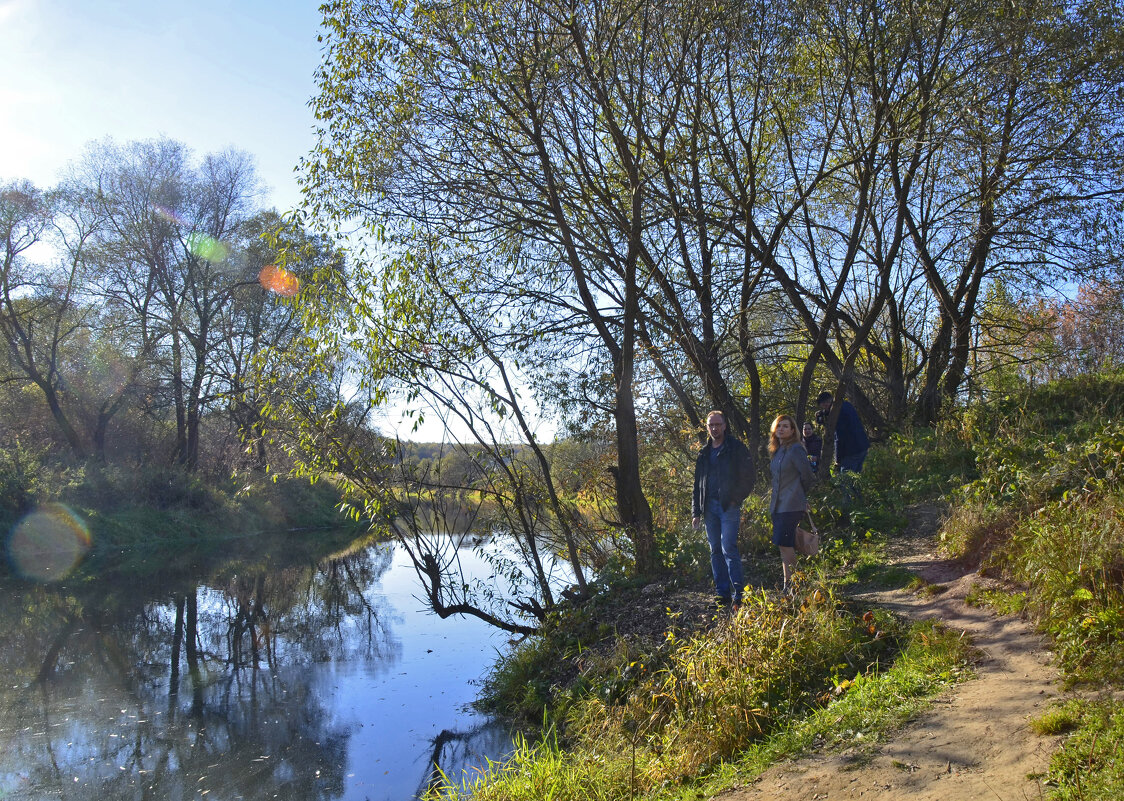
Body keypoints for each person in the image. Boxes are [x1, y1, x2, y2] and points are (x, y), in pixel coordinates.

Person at [691, 410, 754, 608]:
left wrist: (736, 499)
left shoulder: (735, 448)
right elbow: (697, 486)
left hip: (728, 506)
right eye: (711, 425)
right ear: (707, 427)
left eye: (718, 424)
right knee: (715, 550)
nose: (714, 428)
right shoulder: (703, 454)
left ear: (725, 425)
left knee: (728, 547)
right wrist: (696, 513)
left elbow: (749, 477)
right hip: (709, 508)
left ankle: (738, 595)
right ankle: (722, 594)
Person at [769, 414, 815, 596]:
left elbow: (808, 476)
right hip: (778, 506)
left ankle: (795, 586)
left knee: (786, 544)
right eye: (779, 426)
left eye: (785, 426)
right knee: (783, 545)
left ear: (793, 430)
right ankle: (789, 585)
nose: (781, 429)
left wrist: (802, 497)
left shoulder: (796, 449)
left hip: (792, 504)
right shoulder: (778, 451)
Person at [816, 391, 869, 473]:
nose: (824, 408)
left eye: (824, 405)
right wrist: (825, 414)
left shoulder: (838, 413)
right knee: (857, 479)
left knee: (845, 481)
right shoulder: (846, 404)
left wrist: (838, 459)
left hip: (850, 451)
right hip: (862, 446)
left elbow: (839, 436)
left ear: (826, 403)